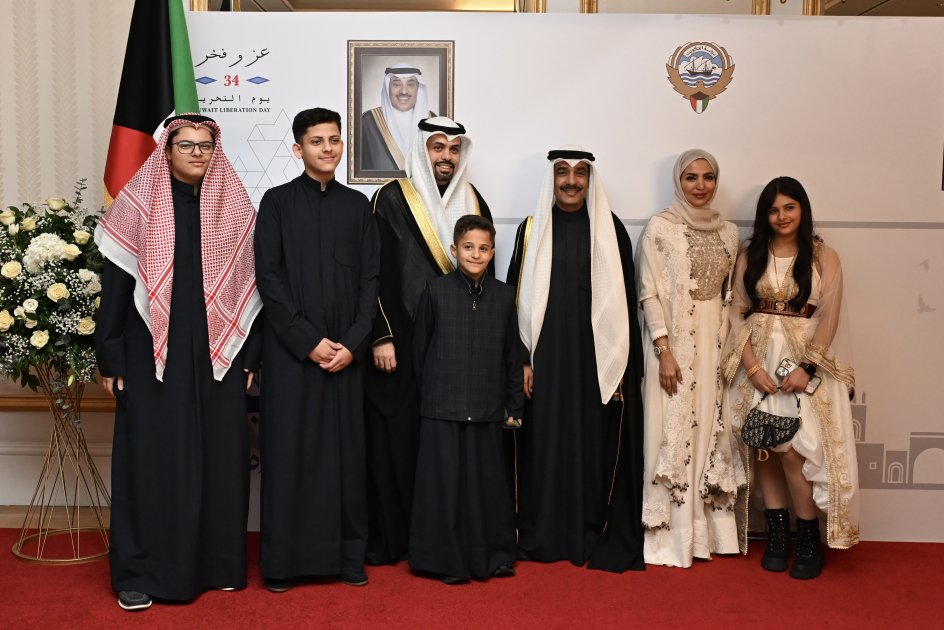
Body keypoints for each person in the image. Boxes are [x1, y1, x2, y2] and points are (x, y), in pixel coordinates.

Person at [95, 114, 262, 611]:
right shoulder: (139, 206)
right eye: (186, 145)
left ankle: (217, 565)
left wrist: (249, 357)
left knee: (220, 457)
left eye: (205, 145)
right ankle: (140, 573)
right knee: (152, 460)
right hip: (151, 357)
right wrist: (110, 357)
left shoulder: (233, 207)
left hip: (218, 358)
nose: (196, 153)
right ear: (166, 151)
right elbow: (116, 288)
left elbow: (255, 291)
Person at [255, 107, 380, 590]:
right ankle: (283, 564)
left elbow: (371, 281)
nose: (328, 148)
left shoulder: (358, 206)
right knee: (291, 457)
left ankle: (348, 560)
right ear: (298, 149)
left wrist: (354, 343)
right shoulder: (277, 203)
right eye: (316, 141)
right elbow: (269, 278)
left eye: (334, 140)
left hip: (346, 357)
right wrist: (307, 342)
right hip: (293, 356)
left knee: (346, 460)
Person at [506, 146, 645, 572]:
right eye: (562, 172)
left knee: (589, 442)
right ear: (551, 179)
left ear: (589, 180)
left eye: (580, 173)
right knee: (544, 443)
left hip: (594, 358)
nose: (571, 181)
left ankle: (589, 529)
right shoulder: (532, 228)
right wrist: (521, 359)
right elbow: (513, 299)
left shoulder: (610, 228)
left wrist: (624, 366)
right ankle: (543, 532)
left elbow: (625, 303)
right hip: (545, 358)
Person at [365, 116, 494, 566]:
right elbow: (373, 274)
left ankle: (444, 534)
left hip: (455, 350)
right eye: (438, 147)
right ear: (422, 150)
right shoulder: (391, 198)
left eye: (454, 149)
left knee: (445, 446)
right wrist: (381, 335)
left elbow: (486, 282)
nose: (446, 156)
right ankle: (398, 538)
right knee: (399, 441)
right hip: (400, 344)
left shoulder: (474, 202)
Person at [721, 176, 859, 579]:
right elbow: (736, 313)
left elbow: (829, 316)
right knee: (763, 443)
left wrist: (807, 367)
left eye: (789, 207)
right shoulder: (750, 255)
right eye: (773, 210)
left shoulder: (824, 257)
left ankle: (808, 537)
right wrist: (752, 367)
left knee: (795, 450)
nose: (781, 216)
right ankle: (778, 534)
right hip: (758, 362)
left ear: (802, 209)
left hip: (803, 363)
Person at [636, 149, 745, 567]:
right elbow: (648, 292)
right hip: (672, 348)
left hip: (714, 348)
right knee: (671, 432)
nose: (701, 186)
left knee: (711, 432)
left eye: (708, 177)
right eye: (691, 177)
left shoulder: (730, 233)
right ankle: (670, 538)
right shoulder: (660, 227)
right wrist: (664, 350)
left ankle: (707, 535)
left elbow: (730, 297)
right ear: (678, 181)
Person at [409, 215, 523, 584]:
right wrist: (432, 401)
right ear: (454, 249)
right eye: (468, 247)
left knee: (487, 488)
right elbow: (419, 352)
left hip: (488, 410)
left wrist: (514, 409)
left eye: (483, 248)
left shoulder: (504, 296)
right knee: (444, 490)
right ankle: (445, 562)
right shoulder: (435, 291)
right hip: (441, 410)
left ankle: (495, 557)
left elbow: (512, 357)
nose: (476, 254)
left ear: (492, 252)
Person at [359, 64, 436, 172]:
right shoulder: (368, 121)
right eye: (396, 84)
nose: (403, 91)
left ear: (418, 88)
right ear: (388, 88)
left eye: (410, 84)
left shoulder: (433, 121)